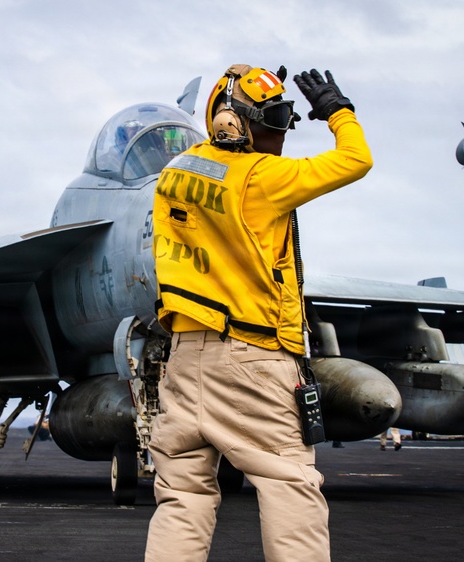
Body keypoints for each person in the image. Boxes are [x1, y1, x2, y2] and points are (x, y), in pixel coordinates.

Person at [145, 65, 372, 562]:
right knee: (290, 483)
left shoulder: (174, 172)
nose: (282, 133)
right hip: (254, 358)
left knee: (182, 497)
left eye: (286, 118)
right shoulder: (263, 176)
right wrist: (338, 112)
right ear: (233, 122)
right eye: (273, 119)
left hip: (184, 361)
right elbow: (356, 159)